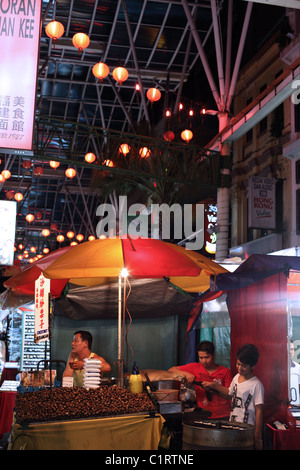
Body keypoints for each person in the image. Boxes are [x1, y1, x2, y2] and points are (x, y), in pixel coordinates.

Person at [204, 343, 264, 450]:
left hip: (247, 429)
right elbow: (230, 394)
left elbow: (259, 411)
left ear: (253, 366)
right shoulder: (236, 377)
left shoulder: (256, 385)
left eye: (243, 366)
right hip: (232, 426)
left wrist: (258, 437)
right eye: (238, 364)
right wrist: (214, 387)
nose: (239, 368)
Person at [168, 340, 232, 419]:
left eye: (207, 357)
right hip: (203, 414)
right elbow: (171, 370)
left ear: (214, 355)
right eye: (201, 358)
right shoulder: (195, 367)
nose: (204, 361)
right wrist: (187, 374)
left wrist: (214, 386)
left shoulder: (225, 371)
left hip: (224, 414)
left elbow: (230, 394)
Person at [290, 340, 300, 405]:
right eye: (289, 349)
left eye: (292, 349)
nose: (290, 352)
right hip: (281, 406)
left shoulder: (298, 367)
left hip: (295, 405)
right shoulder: (276, 368)